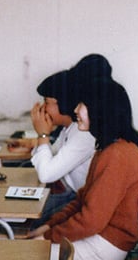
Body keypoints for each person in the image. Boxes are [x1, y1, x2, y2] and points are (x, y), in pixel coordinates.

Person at [28, 78, 138, 260]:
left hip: (105, 249)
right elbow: (81, 201)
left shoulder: (117, 154)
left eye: (82, 104)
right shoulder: (108, 148)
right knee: (26, 250)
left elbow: (91, 220)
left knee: (24, 257)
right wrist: (48, 226)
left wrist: (48, 237)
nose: (75, 110)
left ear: (100, 110)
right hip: (100, 241)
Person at [29, 70, 96, 227]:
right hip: (65, 191)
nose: (43, 109)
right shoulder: (69, 128)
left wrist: (43, 135)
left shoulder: (83, 134)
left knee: (25, 221)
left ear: (64, 102)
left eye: (47, 102)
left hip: (75, 200)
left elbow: (46, 174)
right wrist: (44, 134)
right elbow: (44, 161)